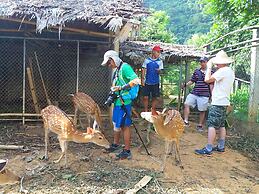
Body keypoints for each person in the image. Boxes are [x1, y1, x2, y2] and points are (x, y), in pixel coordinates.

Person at [101, 50, 140, 160]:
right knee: (116, 124)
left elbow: (136, 80)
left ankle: (127, 151)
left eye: (109, 63)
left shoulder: (125, 68)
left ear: (113, 59)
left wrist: (122, 88)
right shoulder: (117, 70)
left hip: (124, 102)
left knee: (124, 126)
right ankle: (115, 144)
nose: (109, 66)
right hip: (118, 102)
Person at [195, 50, 235, 155]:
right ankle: (221, 146)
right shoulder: (230, 71)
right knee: (221, 124)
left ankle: (208, 148)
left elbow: (207, 80)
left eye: (218, 62)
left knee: (212, 125)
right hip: (225, 101)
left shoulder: (222, 71)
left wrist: (209, 67)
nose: (216, 64)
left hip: (218, 102)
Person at [182, 56, 213, 131]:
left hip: (205, 94)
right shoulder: (197, 71)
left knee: (202, 110)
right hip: (194, 93)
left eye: (204, 62)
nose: (202, 63)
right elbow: (192, 80)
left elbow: (212, 84)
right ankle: (185, 121)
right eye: (201, 62)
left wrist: (212, 95)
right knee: (186, 104)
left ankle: (200, 125)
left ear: (207, 63)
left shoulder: (211, 73)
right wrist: (185, 85)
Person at [141, 45, 163, 115]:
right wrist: (142, 79)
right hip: (147, 82)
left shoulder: (160, 62)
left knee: (155, 97)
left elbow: (161, 72)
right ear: (153, 52)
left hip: (155, 82)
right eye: (158, 52)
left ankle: (152, 109)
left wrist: (159, 71)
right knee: (145, 97)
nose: (159, 54)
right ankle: (145, 110)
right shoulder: (147, 60)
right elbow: (144, 69)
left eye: (159, 52)